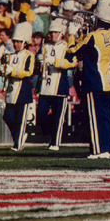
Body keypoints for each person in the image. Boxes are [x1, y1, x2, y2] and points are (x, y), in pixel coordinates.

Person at [72, 0, 110, 159]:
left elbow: (73, 50)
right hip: (107, 79)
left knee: (94, 117)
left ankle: (97, 150)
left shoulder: (93, 36)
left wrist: (72, 34)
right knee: (105, 117)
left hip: (93, 80)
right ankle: (107, 148)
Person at [36, 17, 76, 151]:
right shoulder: (45, 46)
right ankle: (48, 133)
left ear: (61, 33)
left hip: (59, 85)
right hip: (45, 86)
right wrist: (39, 59)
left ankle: (55, 142)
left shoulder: (66, 47)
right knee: (41, 112)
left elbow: (72, 63)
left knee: (58, 117)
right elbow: (40, 62)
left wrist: (55, 61)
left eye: (55, 32)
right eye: (51, 32)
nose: (52, 34)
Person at [1, 22, 35, 151]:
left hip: (22, 91)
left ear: (25, 43)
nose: (16, 44)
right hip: (11, 91)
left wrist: (13, 71)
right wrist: (2, 70)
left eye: (19, 42)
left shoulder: (29, 55)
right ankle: (19, 136)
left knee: (20, 120)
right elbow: (6, 71)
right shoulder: (11, 55)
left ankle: (18, 143)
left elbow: (28, 72)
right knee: (8, 117)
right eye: (15, 42)